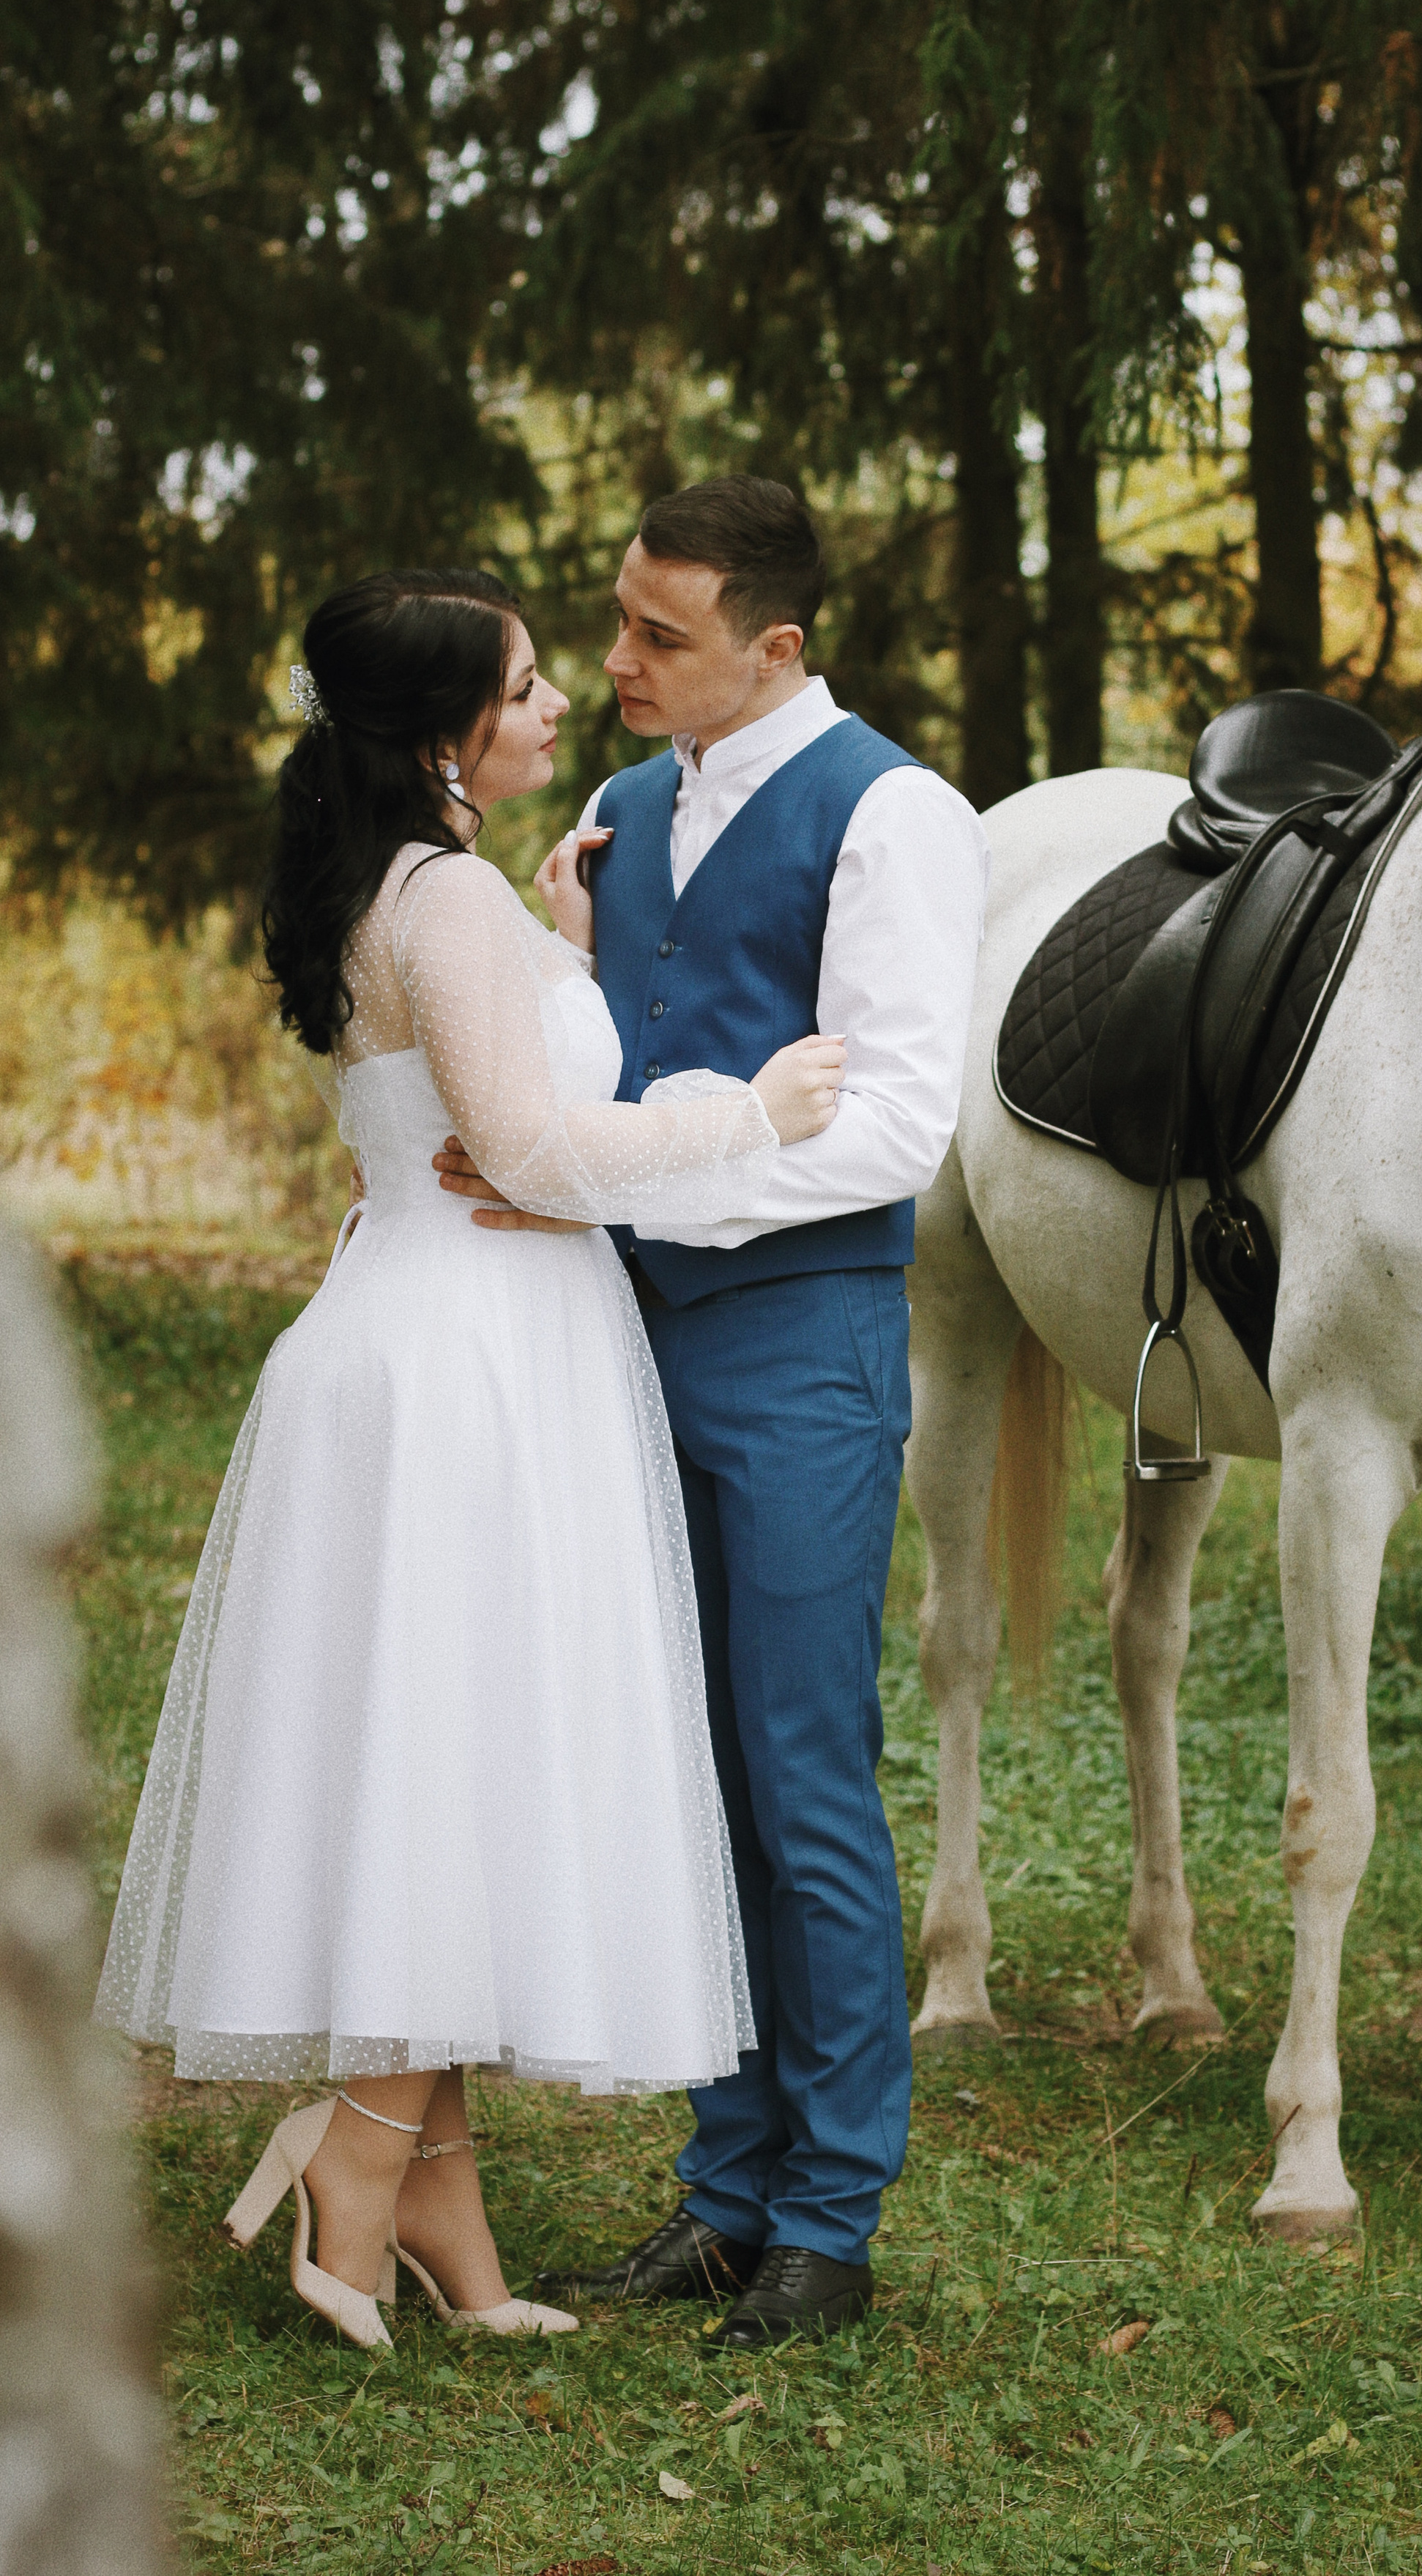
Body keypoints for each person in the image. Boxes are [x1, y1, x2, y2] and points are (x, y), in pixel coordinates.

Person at [94, 567, 845, 2353]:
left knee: (445, 1759)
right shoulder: (439, 904)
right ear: (446, 734)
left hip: (435, 1333)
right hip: (469, 1366)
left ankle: (440, 2206)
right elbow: (513, 1140)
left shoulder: (430, 894)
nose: (561, 701)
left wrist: (562, 930)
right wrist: (750, 1110)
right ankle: (357, 2169)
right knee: (462, 1754)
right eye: (524, 687)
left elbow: (476, 1091)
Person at [439, 478, 988, 2349]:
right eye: (612, 619)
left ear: (775, 648)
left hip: (798, 1341)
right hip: (615, 1337)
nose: (614, 663)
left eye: (659, 636)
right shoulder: (618, 817)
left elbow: (901, 1124)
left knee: (800, 1773)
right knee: (674, 1766)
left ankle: (831, 2214)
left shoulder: (894, 817)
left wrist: (625, 1189)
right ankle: (723, 2190)